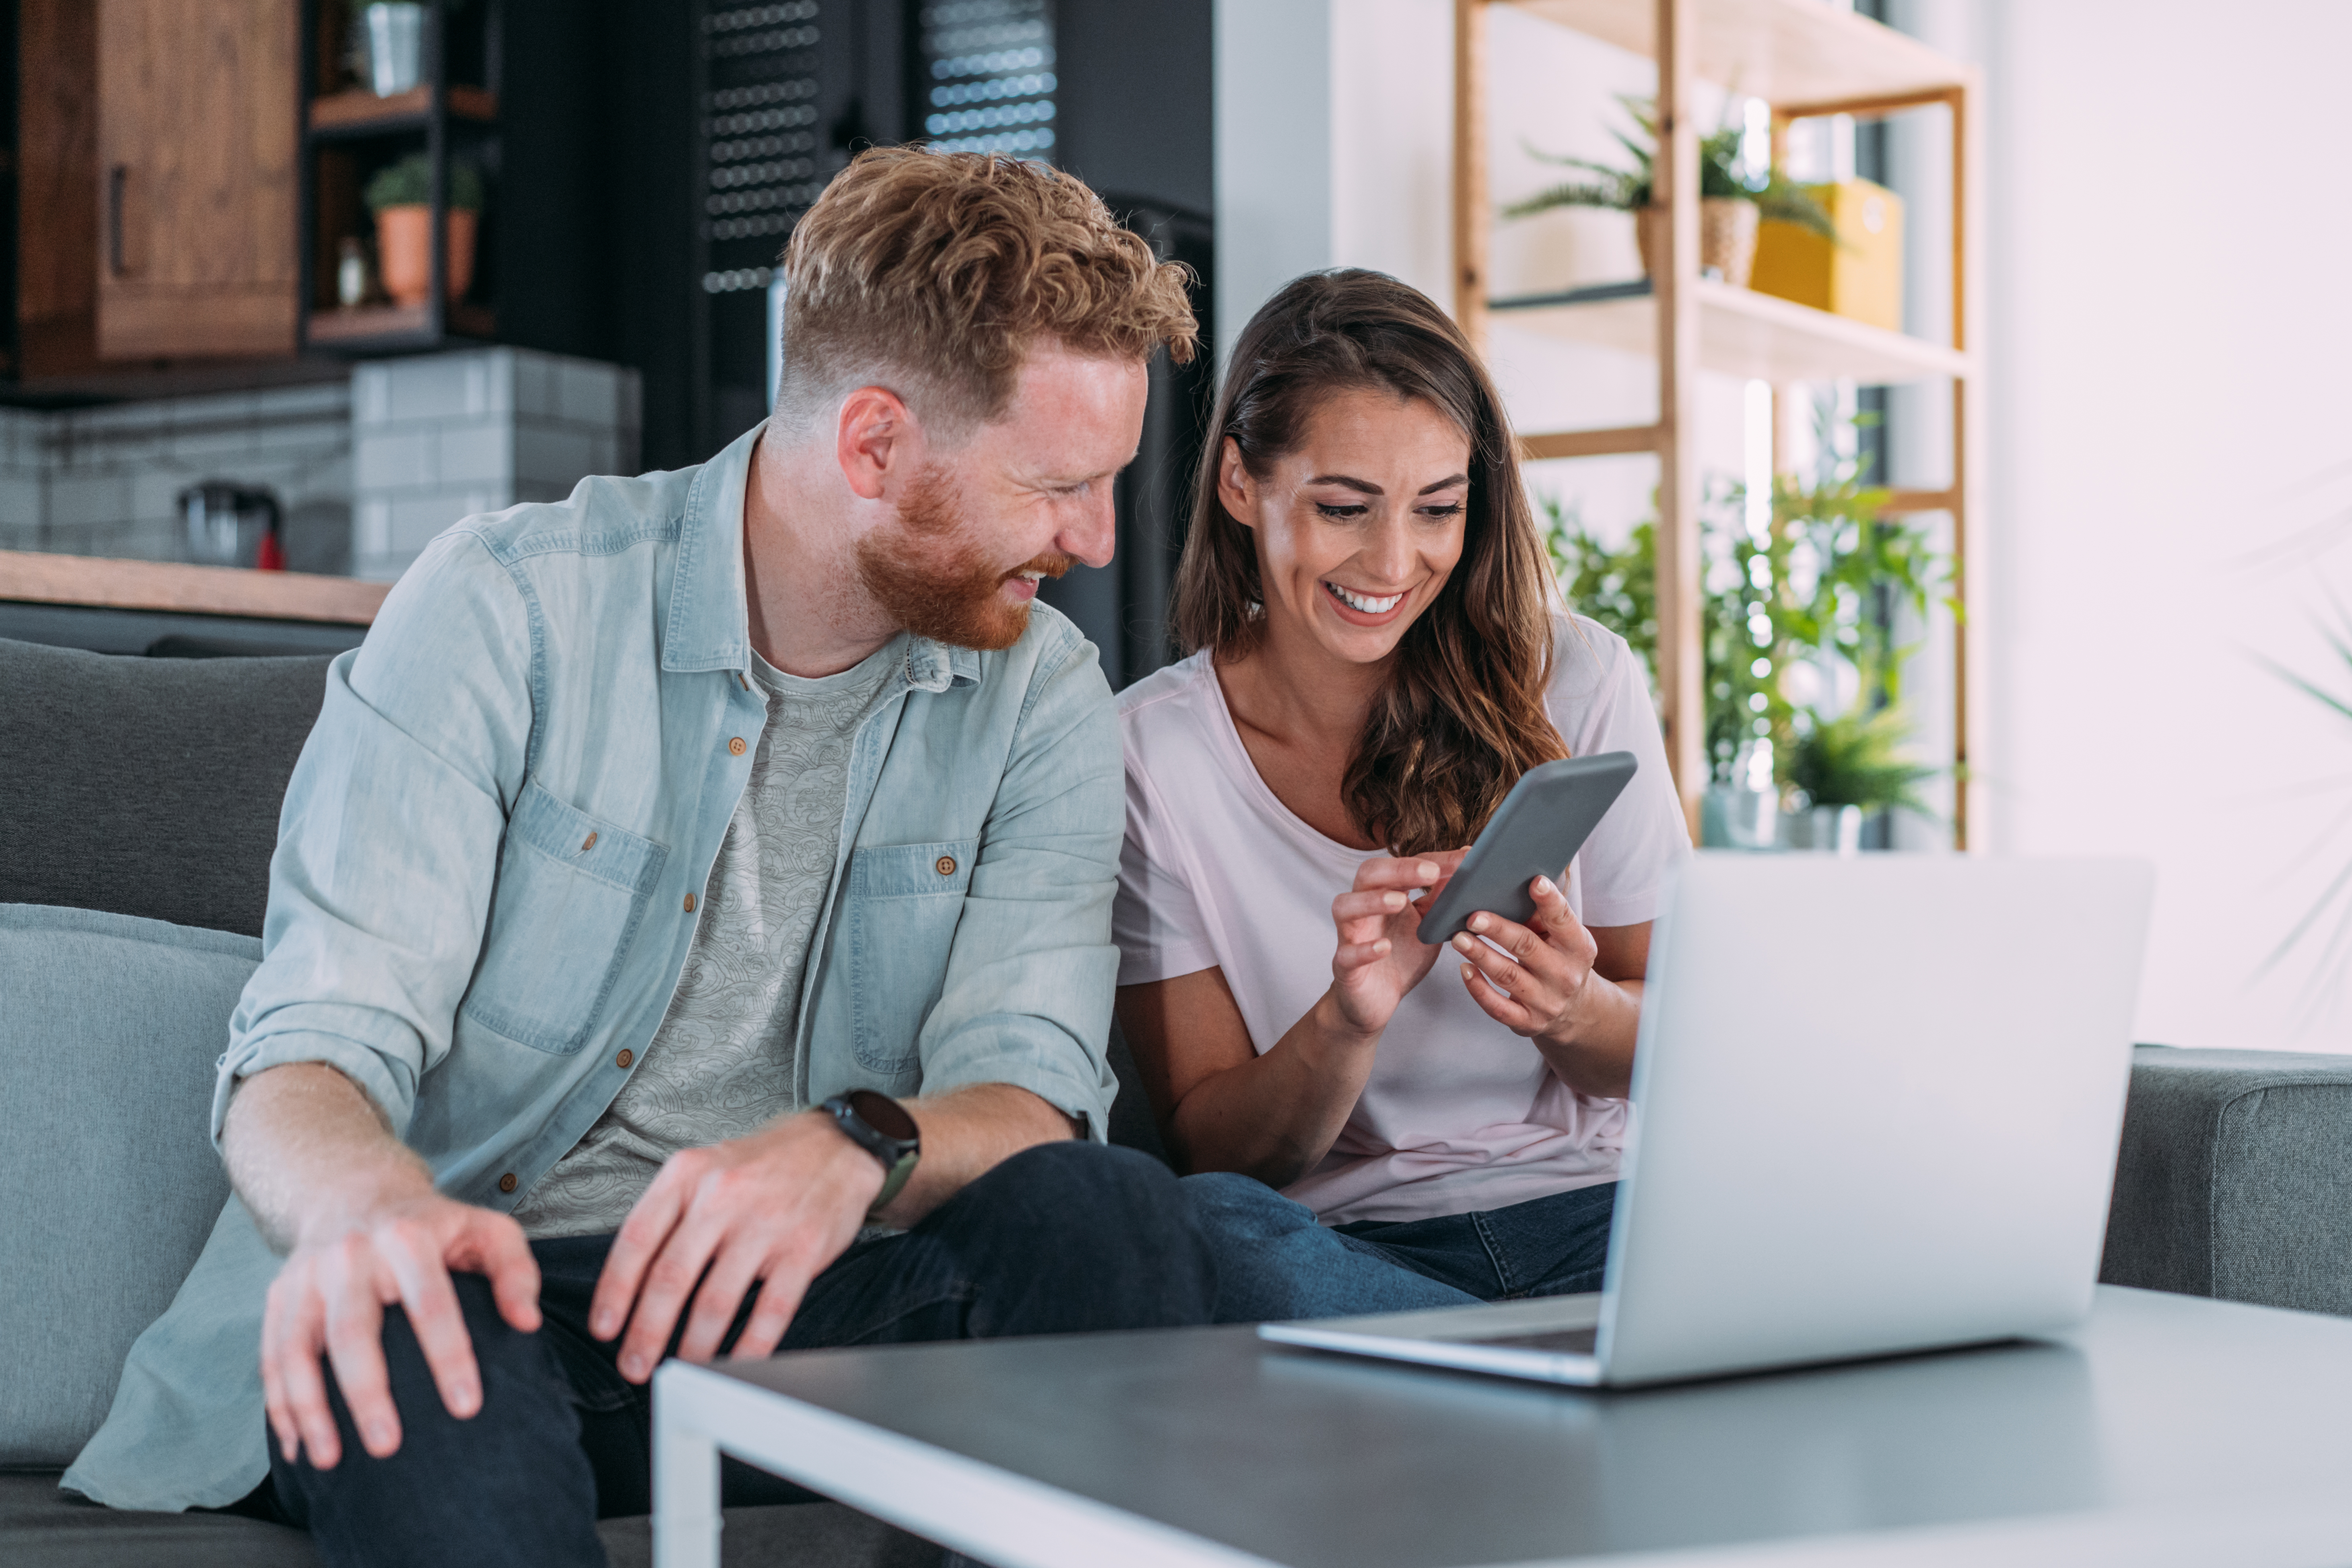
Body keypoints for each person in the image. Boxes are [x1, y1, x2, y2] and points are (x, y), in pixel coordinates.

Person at [64, 148, 1216, 1564]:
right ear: (873, 445)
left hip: (811, 1303)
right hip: (485, 1295)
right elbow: (303, 1057)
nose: (1096, 541)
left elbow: (1032, 1094)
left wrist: (858, 1144)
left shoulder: (1042, 694)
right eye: (1057, 486)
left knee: (1106, 1211)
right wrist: (373, 1215)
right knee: (421, 1317)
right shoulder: (504, 611)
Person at [1112, 270, 1689, 1321]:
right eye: (1343, 508)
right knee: (1198, 1233)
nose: (1392, 562)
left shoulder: (1582, 680)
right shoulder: (1154, 753)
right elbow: (1215, 1154)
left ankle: (1478, 1394)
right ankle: (1485, 1382)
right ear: (1240, 483)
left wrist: (1574, 1009)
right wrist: (1345, 1022)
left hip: (1597, 1215)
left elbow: (1681, 1042)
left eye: (1438, 510)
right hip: (1353, 1254)